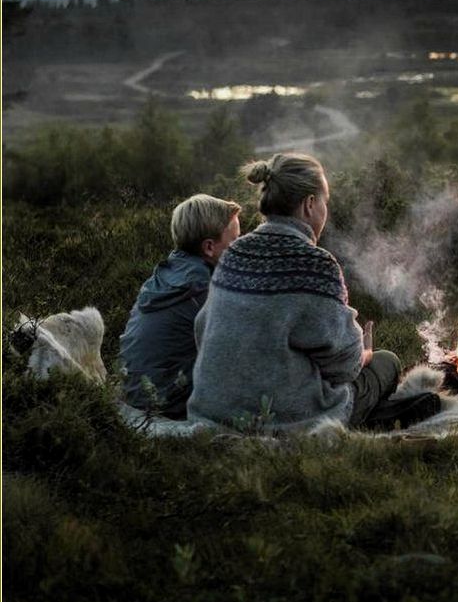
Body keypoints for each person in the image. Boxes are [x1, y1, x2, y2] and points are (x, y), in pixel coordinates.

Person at [187, 152, 440, 433]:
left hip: (213, 411)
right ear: (309, 204)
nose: (325, 210)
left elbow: (202, 328)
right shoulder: (315, 264)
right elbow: (345, 367)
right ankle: (380, 416)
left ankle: (382, 415)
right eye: (325, 201)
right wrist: (364, 354)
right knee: (387, 362)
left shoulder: (234, 253)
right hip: (281, 417)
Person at [119, 194, 241, 419]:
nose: (239, 250)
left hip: (135, 395)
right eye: (234, 241)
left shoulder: (167, 275)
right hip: (169, 406)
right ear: (209, 247)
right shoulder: (202, 288)